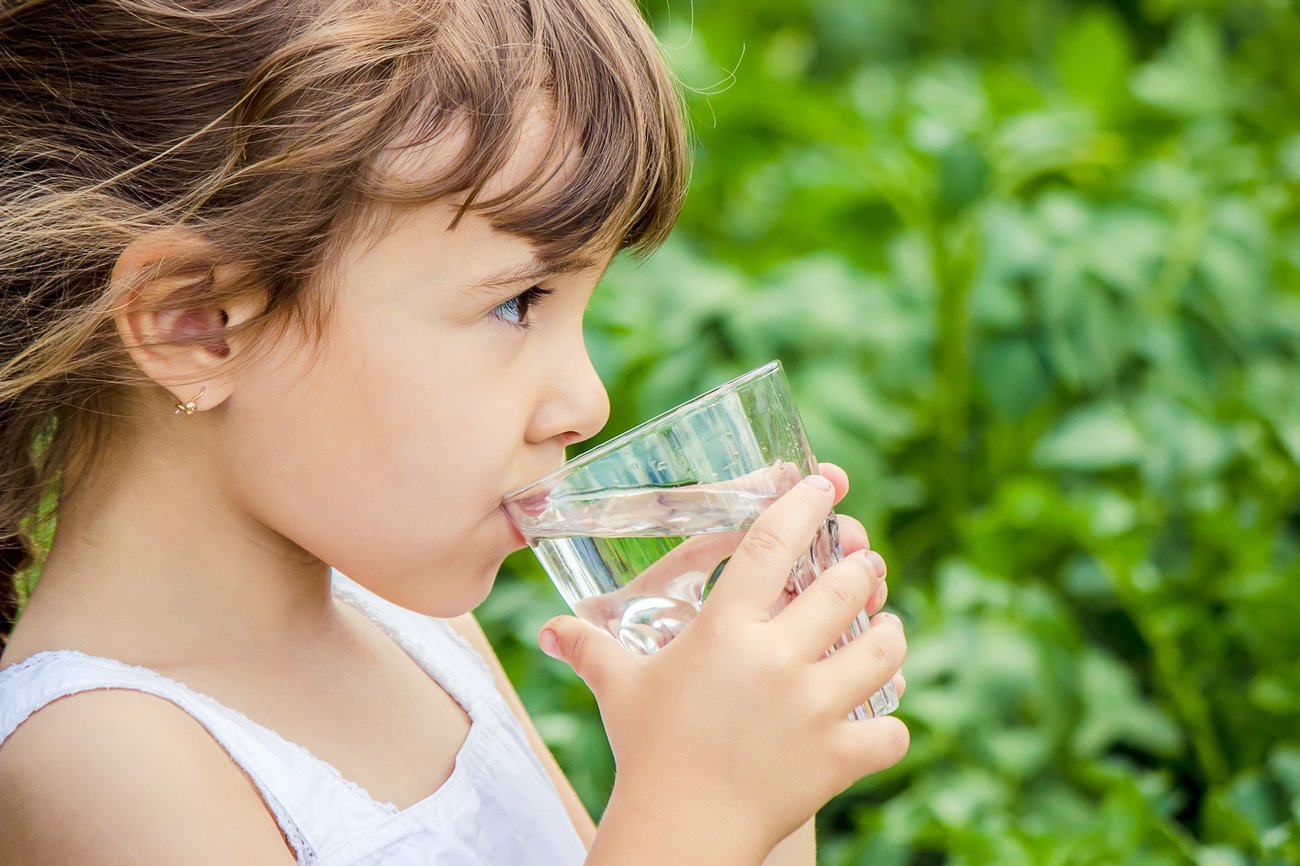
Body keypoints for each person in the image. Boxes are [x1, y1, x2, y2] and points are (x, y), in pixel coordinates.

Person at [0, 1, 910, 863]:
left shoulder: (415, 636)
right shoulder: (99, 757)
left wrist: (757, 778)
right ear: (198, 323)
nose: (587, 404)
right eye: (518, 302)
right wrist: (696, 809)